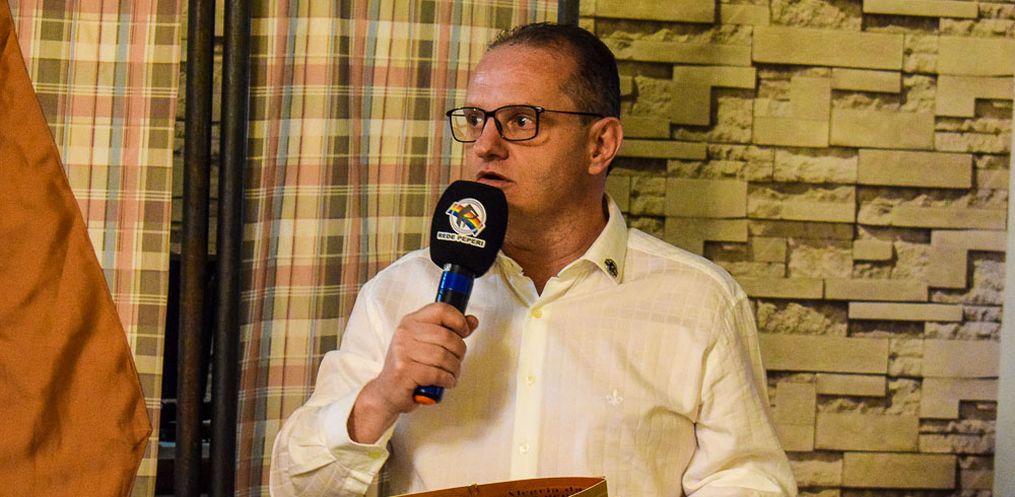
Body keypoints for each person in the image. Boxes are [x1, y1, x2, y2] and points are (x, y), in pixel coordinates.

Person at [270, 23, 797, 497]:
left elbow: (747, 481)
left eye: (520, 120)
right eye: (476, 120)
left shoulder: (700, 301)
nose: (486, 145)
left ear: (600, 144)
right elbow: (296, 488)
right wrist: (379, 398)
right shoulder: (398, 292)